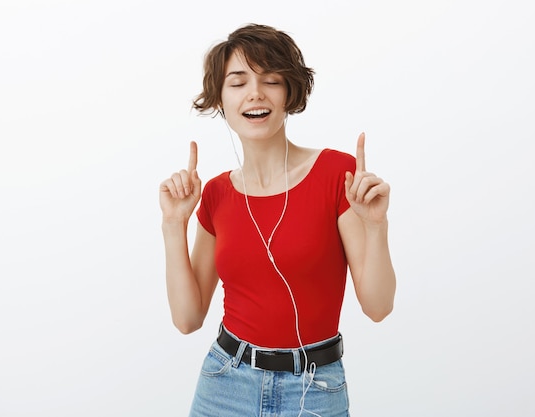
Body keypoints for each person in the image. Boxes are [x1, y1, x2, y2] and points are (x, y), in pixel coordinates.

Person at [159, 23, 396, 417]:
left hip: (314, 389)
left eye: (270, 80)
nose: (255, 93)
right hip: (225, 384)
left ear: (290, 93)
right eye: (238, 82)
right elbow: (187, 318)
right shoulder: (217, 193)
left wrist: (376, 226)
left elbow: (378, 306)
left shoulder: (338, 174)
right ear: (220, 99)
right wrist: (173, 225)